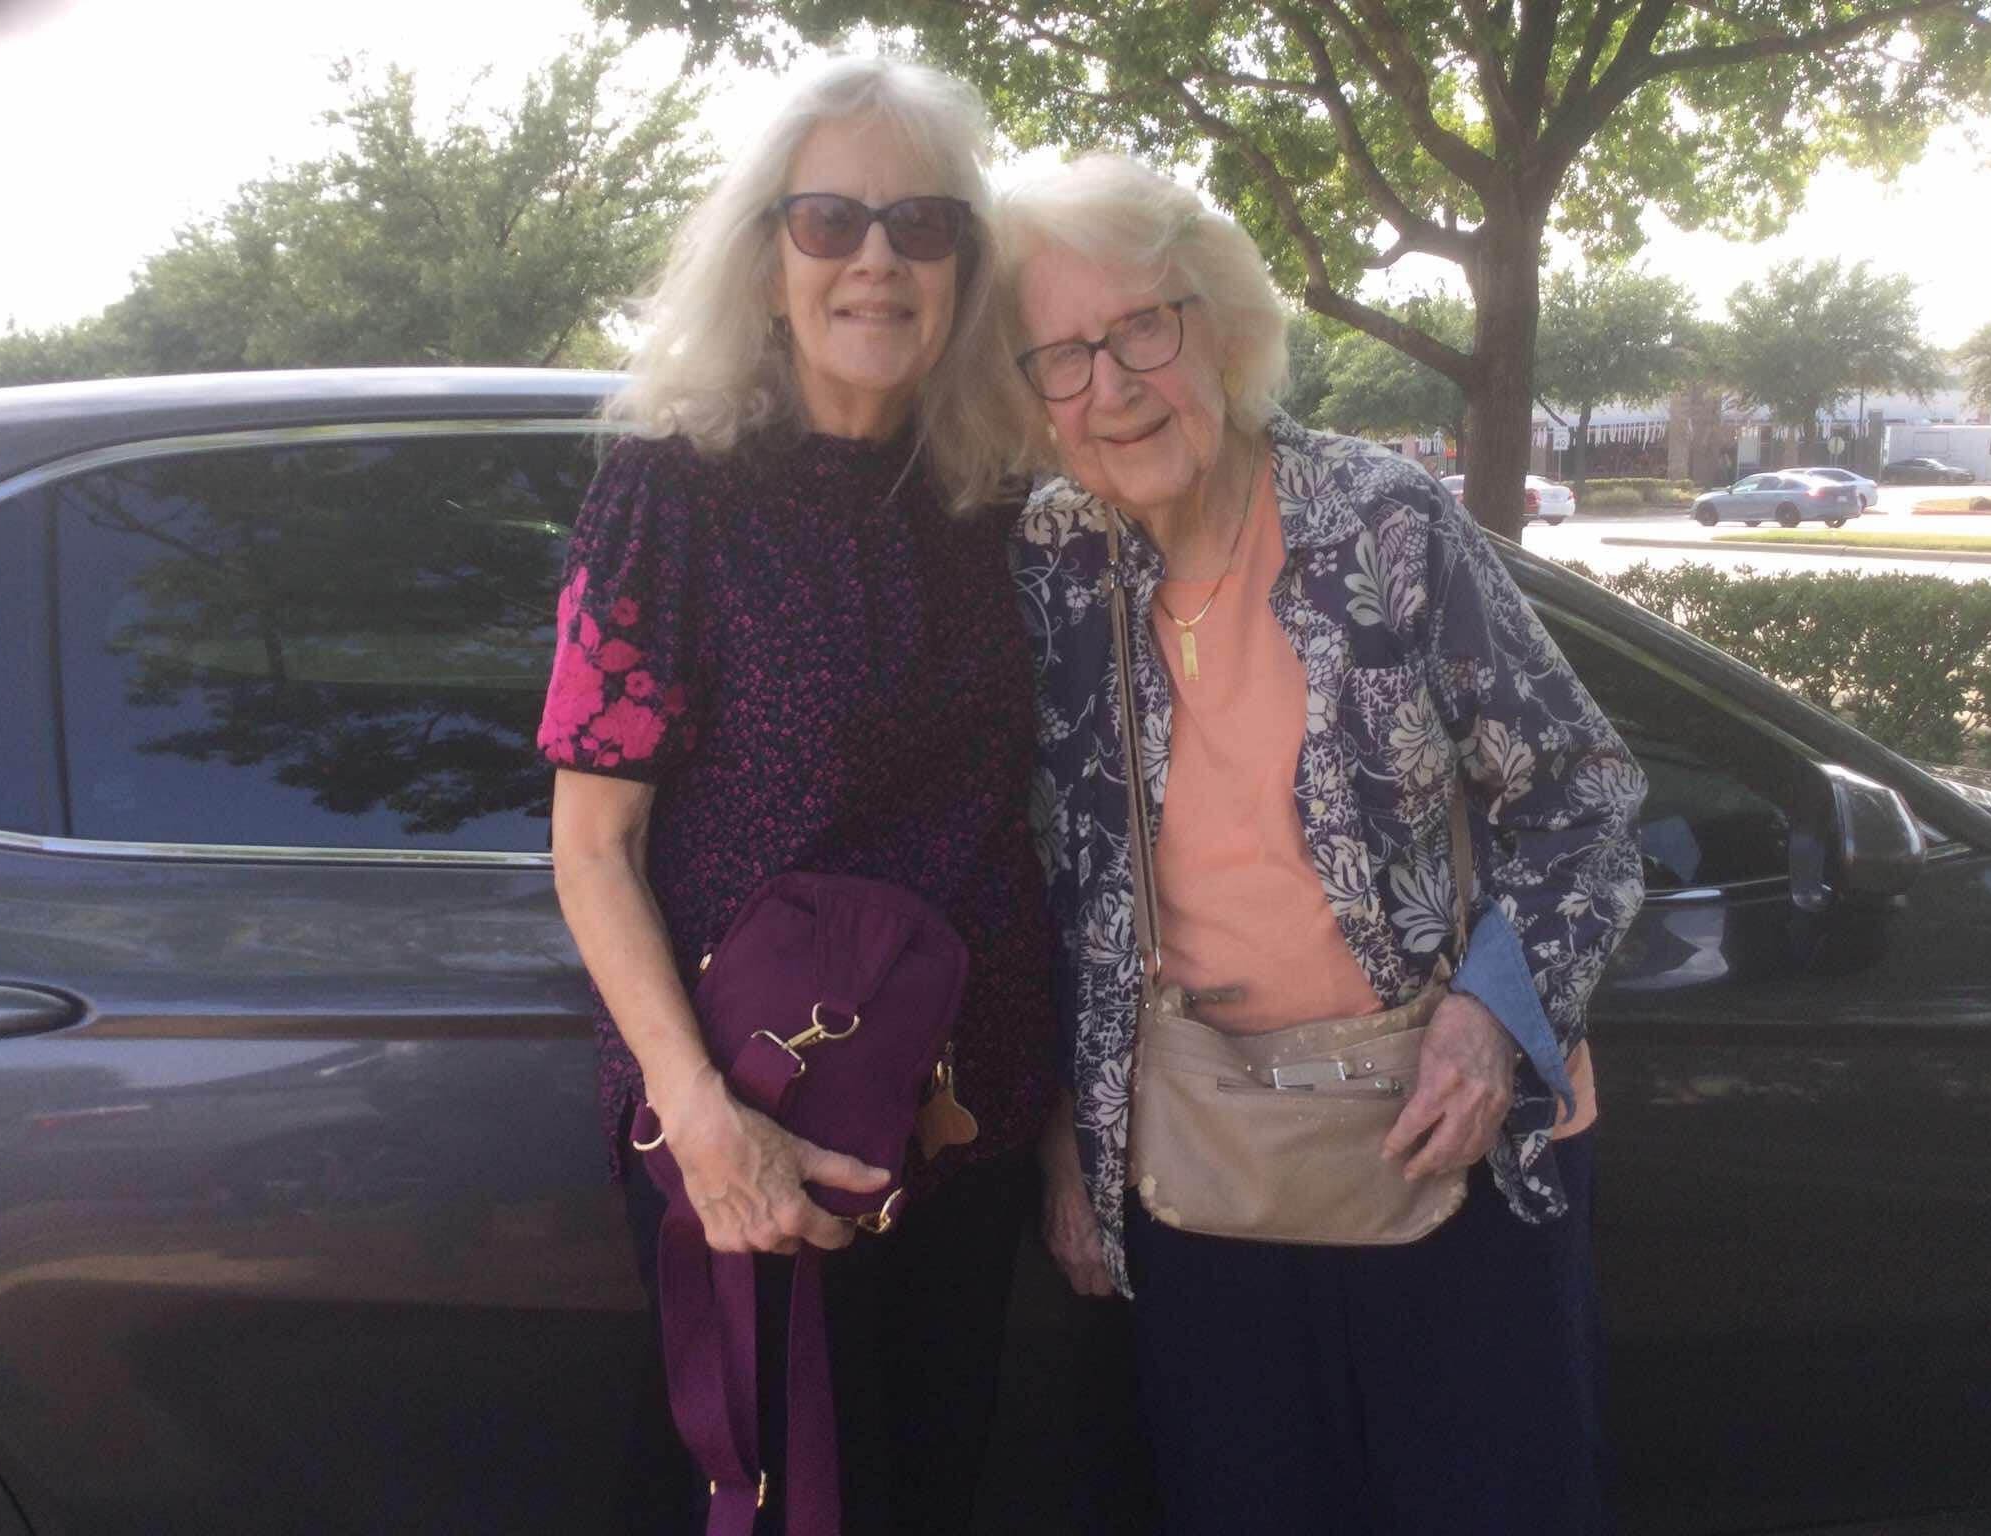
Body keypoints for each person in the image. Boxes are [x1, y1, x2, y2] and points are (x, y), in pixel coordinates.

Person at [1001, 154, 1647, 1535]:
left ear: (1220, 329)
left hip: (1442, 1142)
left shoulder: (1384, 525)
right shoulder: (1051, 563)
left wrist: (1495, 1023)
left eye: (1144, 330)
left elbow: (1583, 793)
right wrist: (1072, 1133)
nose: (1111, 385)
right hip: (1202, 1165)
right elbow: (1053, 888)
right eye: (1063, 354)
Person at [538, 57, 1055, 1536]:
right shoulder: (673, 492)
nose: (878, 259)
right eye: (829, 221)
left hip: (968, 1140)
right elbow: (594, 847)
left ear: (964, 268)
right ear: (767, 261)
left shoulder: (994, 502)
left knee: (919, 1499)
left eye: (922, 225)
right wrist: (702, 1126)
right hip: (763, 1144)